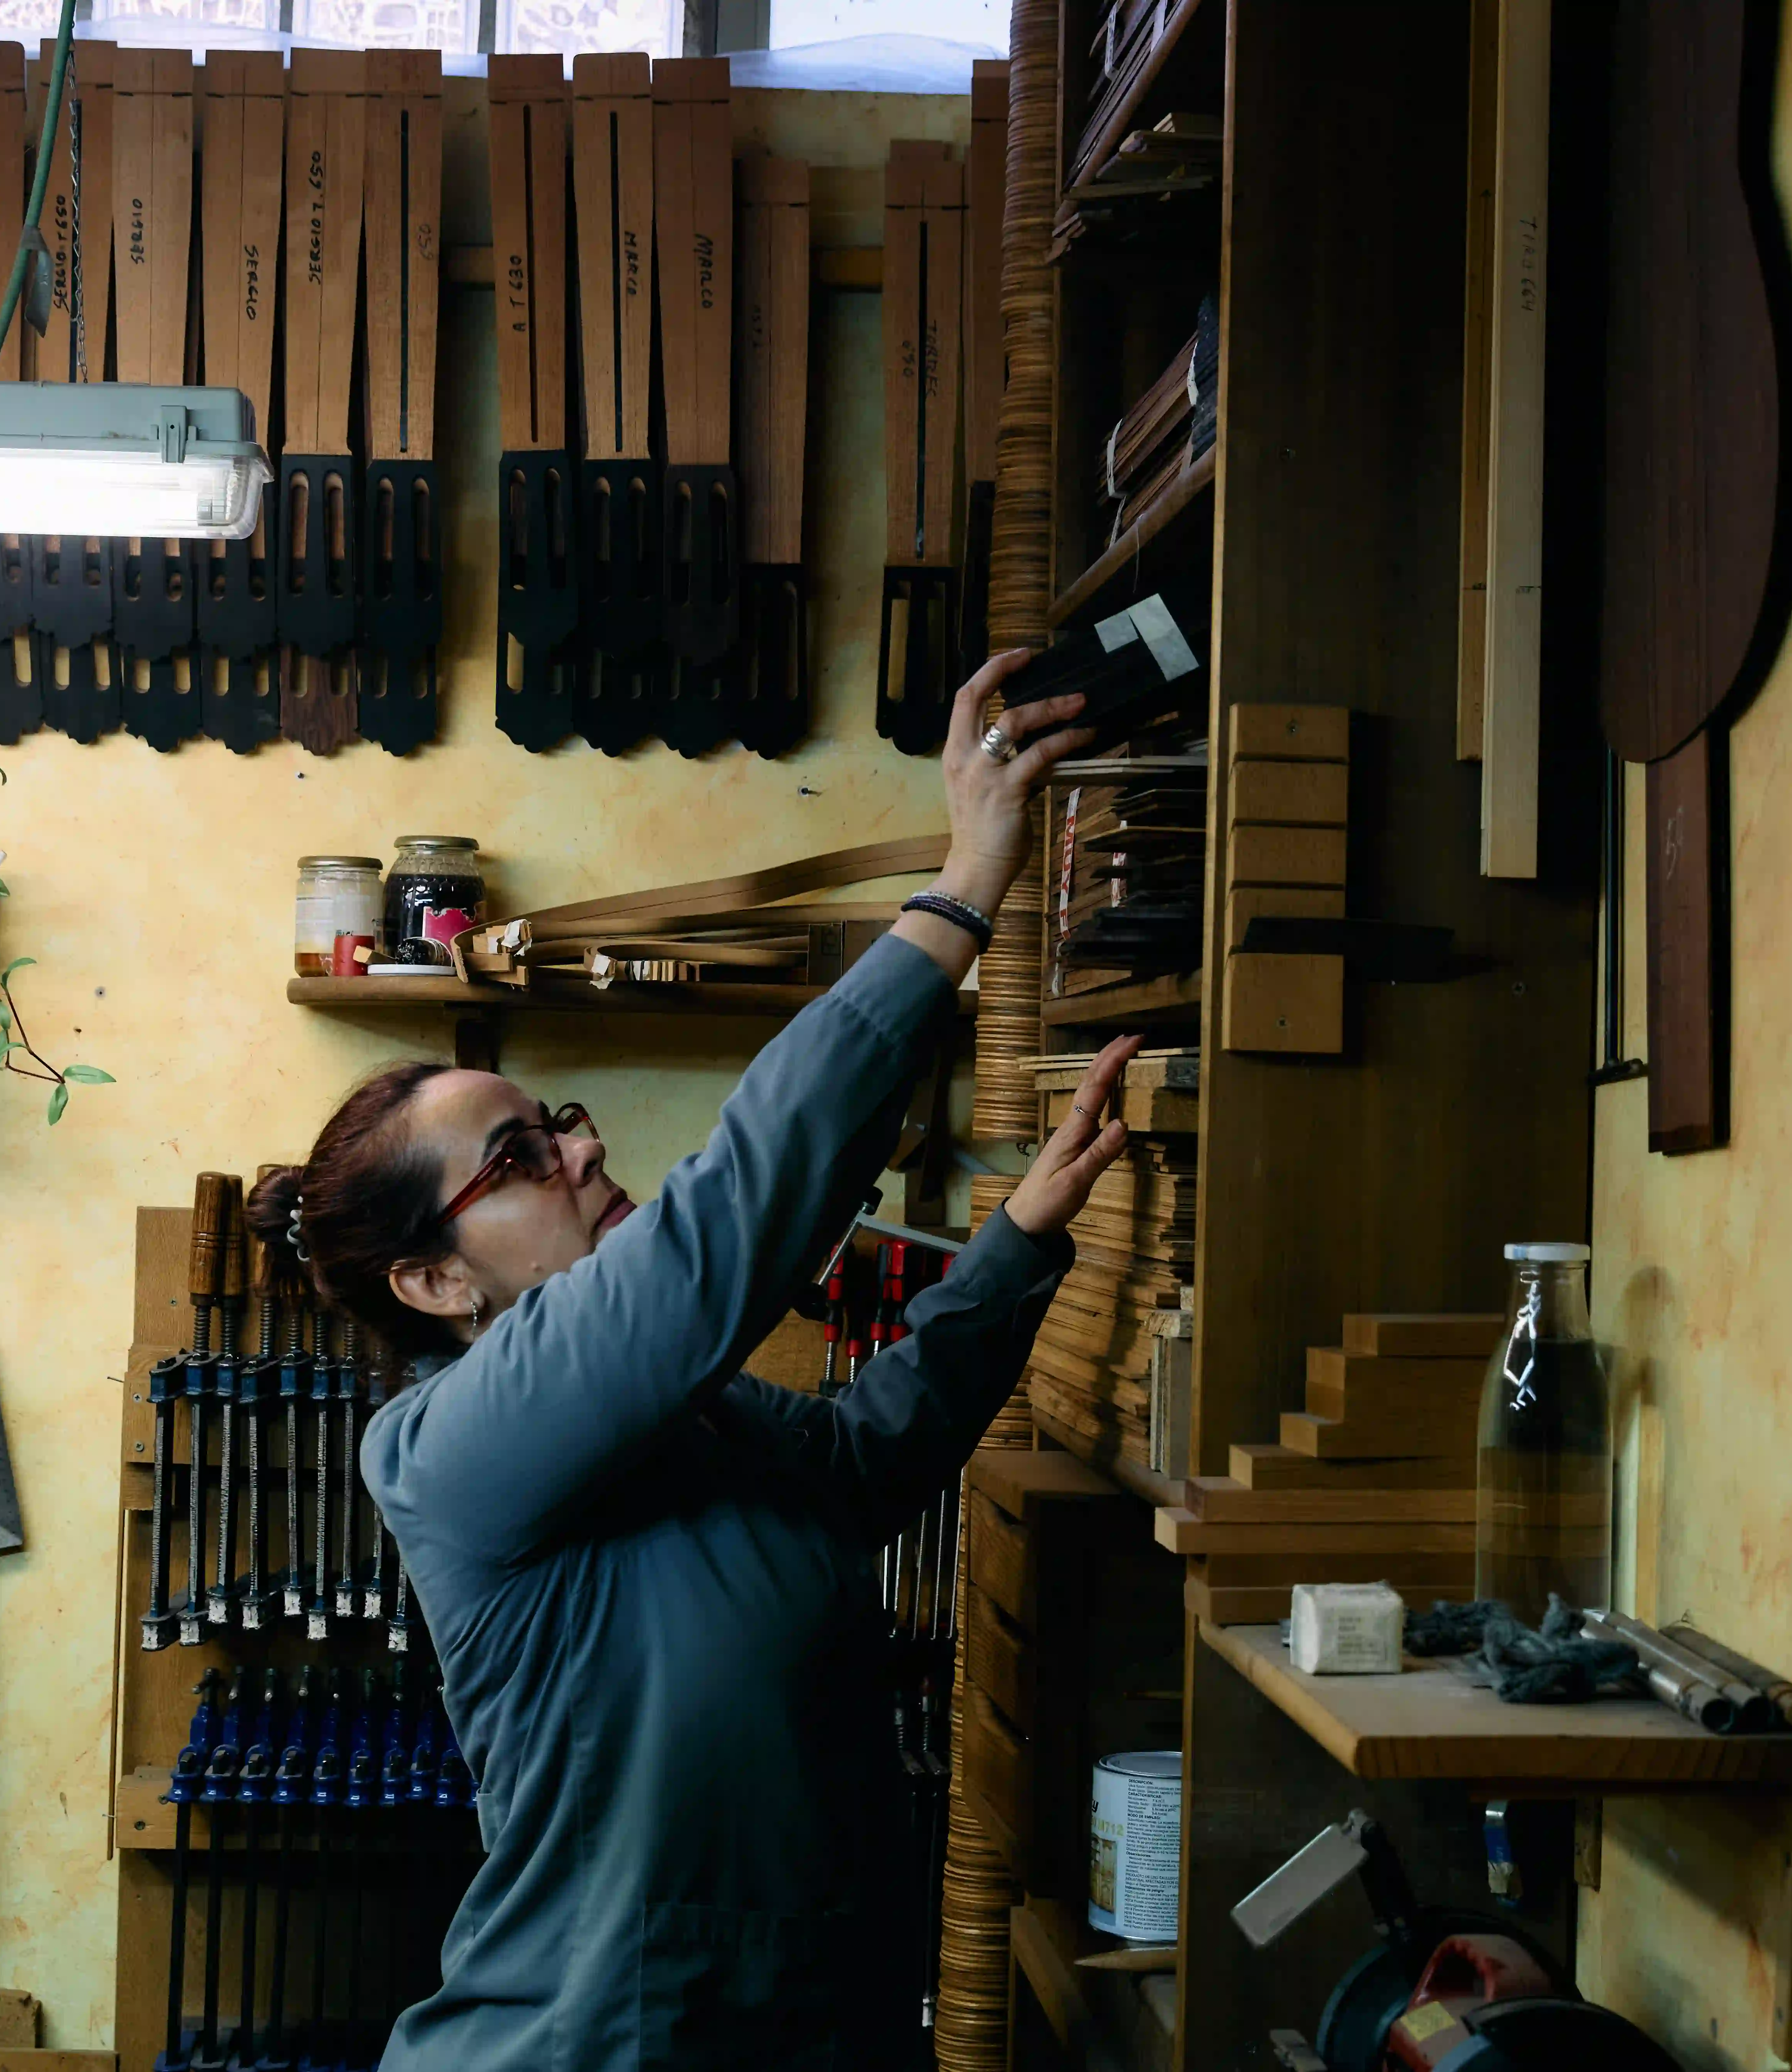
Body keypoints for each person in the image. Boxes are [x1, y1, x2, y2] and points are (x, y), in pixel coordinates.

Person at [246, 659, 1143, 2071]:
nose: (584, 1150)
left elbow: (860, 1468)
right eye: (520, 1160)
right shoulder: (446, 1451)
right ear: (432, 1282)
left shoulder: (689, 1420)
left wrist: (1019, 1242)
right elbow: (716, 1243)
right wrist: (961, 888)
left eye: (561, 1122)